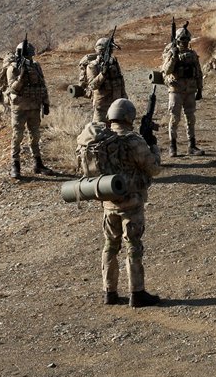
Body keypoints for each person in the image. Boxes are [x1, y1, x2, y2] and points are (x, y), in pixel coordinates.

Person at [92, 99, 162, 308]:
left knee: (110, 246)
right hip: (131, 204)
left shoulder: (102, 140)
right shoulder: (134, 141)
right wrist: (154, 146)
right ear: (128, 117)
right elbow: (154, 169)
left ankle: (109, 292)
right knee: (133, 247)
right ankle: (137, 293)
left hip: (108, 202)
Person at [0, 40, 52, 179]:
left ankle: (38, 164)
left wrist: (45, 103)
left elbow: (42, 85)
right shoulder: (13, 68)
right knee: (18, 137)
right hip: (20, 108)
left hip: (34, 107)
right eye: (28, 56)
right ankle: (15, 166)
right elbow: (12, 88)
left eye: (31, 56)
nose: (30, 58)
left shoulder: (36, 66)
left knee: (35, 136)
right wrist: (21, 76)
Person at [160, 25, 205, 157]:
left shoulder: (192, 55)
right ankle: (172, 146)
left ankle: (191, 145)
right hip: (176, 90)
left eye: (186, 40)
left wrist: (200, 89)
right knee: (174, 118)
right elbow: (166, 70)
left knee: (191, 118)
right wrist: (173, 56)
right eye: (182, 40)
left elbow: (198, 72)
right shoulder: (172, 53)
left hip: (190, 90)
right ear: (178, 40)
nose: (184, 42)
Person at [78, 36, 127, 124]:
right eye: (109, 50)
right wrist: (102, 74)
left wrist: (125, 98)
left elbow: (120, 81)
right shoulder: (92, 66)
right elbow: (92, 85)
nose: (112, 52)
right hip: (102, 106)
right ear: (102, 50)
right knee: (99, 131)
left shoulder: (114, 63)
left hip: (117, 104)